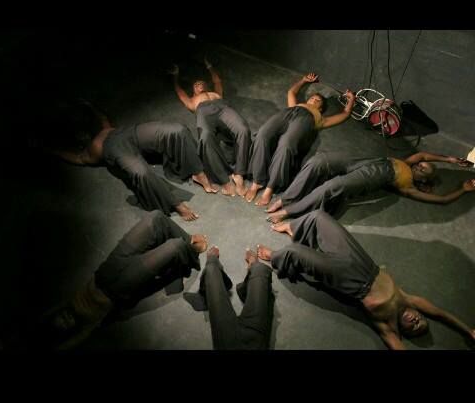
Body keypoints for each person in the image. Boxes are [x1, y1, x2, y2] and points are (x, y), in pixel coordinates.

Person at [257, 210, 475, 351]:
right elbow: (441, 313)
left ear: (403, 331)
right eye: (421, 320)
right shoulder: (408, 300)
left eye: (414, 327)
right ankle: (293, 227)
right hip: (364, 263)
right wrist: (468, 331)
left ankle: (274, 257)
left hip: (350, 279)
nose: (416, 320)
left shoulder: (388, 326)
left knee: (295, 253)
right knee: (319, 217)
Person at [40, 211, 208, 347]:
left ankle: (189, 243)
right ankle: (192, 252)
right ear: (70, 331)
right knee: (174, 247)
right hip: (119, 289)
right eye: (66, 324)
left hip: (106, 270)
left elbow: (43, 317)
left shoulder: (68, 303)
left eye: (61, 316)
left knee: (155, 219)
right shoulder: (87, 326)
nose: (66, 317)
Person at [36, 98, 214, 221]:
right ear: (80, 142)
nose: (83, 134)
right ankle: (176, 205)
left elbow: (102, 117)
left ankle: (197, 172)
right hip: (115, 150)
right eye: (79, 135)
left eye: (83, 131)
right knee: (141, 173)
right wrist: (48, 149)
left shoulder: (105, 128)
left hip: (126, 134)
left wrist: (90, 106)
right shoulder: (90, 152)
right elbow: (76, 158)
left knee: (177, 130)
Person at [265, 150, 475, 224]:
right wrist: (449, 159)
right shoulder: (409, 162)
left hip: (382, 174)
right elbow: (424, 155)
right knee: (320, 160)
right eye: (420, 165)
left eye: (422, 169)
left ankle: (289, 211)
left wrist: (463, 190)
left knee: (333, 186)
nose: (419, 164)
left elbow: (442, 200)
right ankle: (286, 198)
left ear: (422, 181)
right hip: (373, 160)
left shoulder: (409, 186)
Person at [245, 73, 356, 207]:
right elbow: (291, 92)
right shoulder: (296, 105)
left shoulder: (320, 118)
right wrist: (303, 80)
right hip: (287, 114)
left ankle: (270, 188)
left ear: (320, 108)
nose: (313, 100)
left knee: (286, 145)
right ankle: (257, 182)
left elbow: (345, 114)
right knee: (263, 135)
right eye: (312, 98)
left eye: (317, 101)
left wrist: (351, 99)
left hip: (306, 120)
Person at [168, 57, 252, 197]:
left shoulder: (216, 94)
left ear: (207, 86)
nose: (199, 84)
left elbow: (217, 81)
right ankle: (224, 180)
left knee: (243, 129)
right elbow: (180, 91)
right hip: (203, 111)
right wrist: (175, 77)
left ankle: (239, 175)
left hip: (223, 108)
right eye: (196, 85)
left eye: (202, 82)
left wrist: (210, 67)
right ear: (193, 91)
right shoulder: (192, 100)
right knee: (205, 138)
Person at [196, 246, 274, 350]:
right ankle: (253, 266)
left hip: (226, 343)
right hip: (255, 341)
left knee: (211, 268)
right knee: (260, 269)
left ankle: (212, 260)